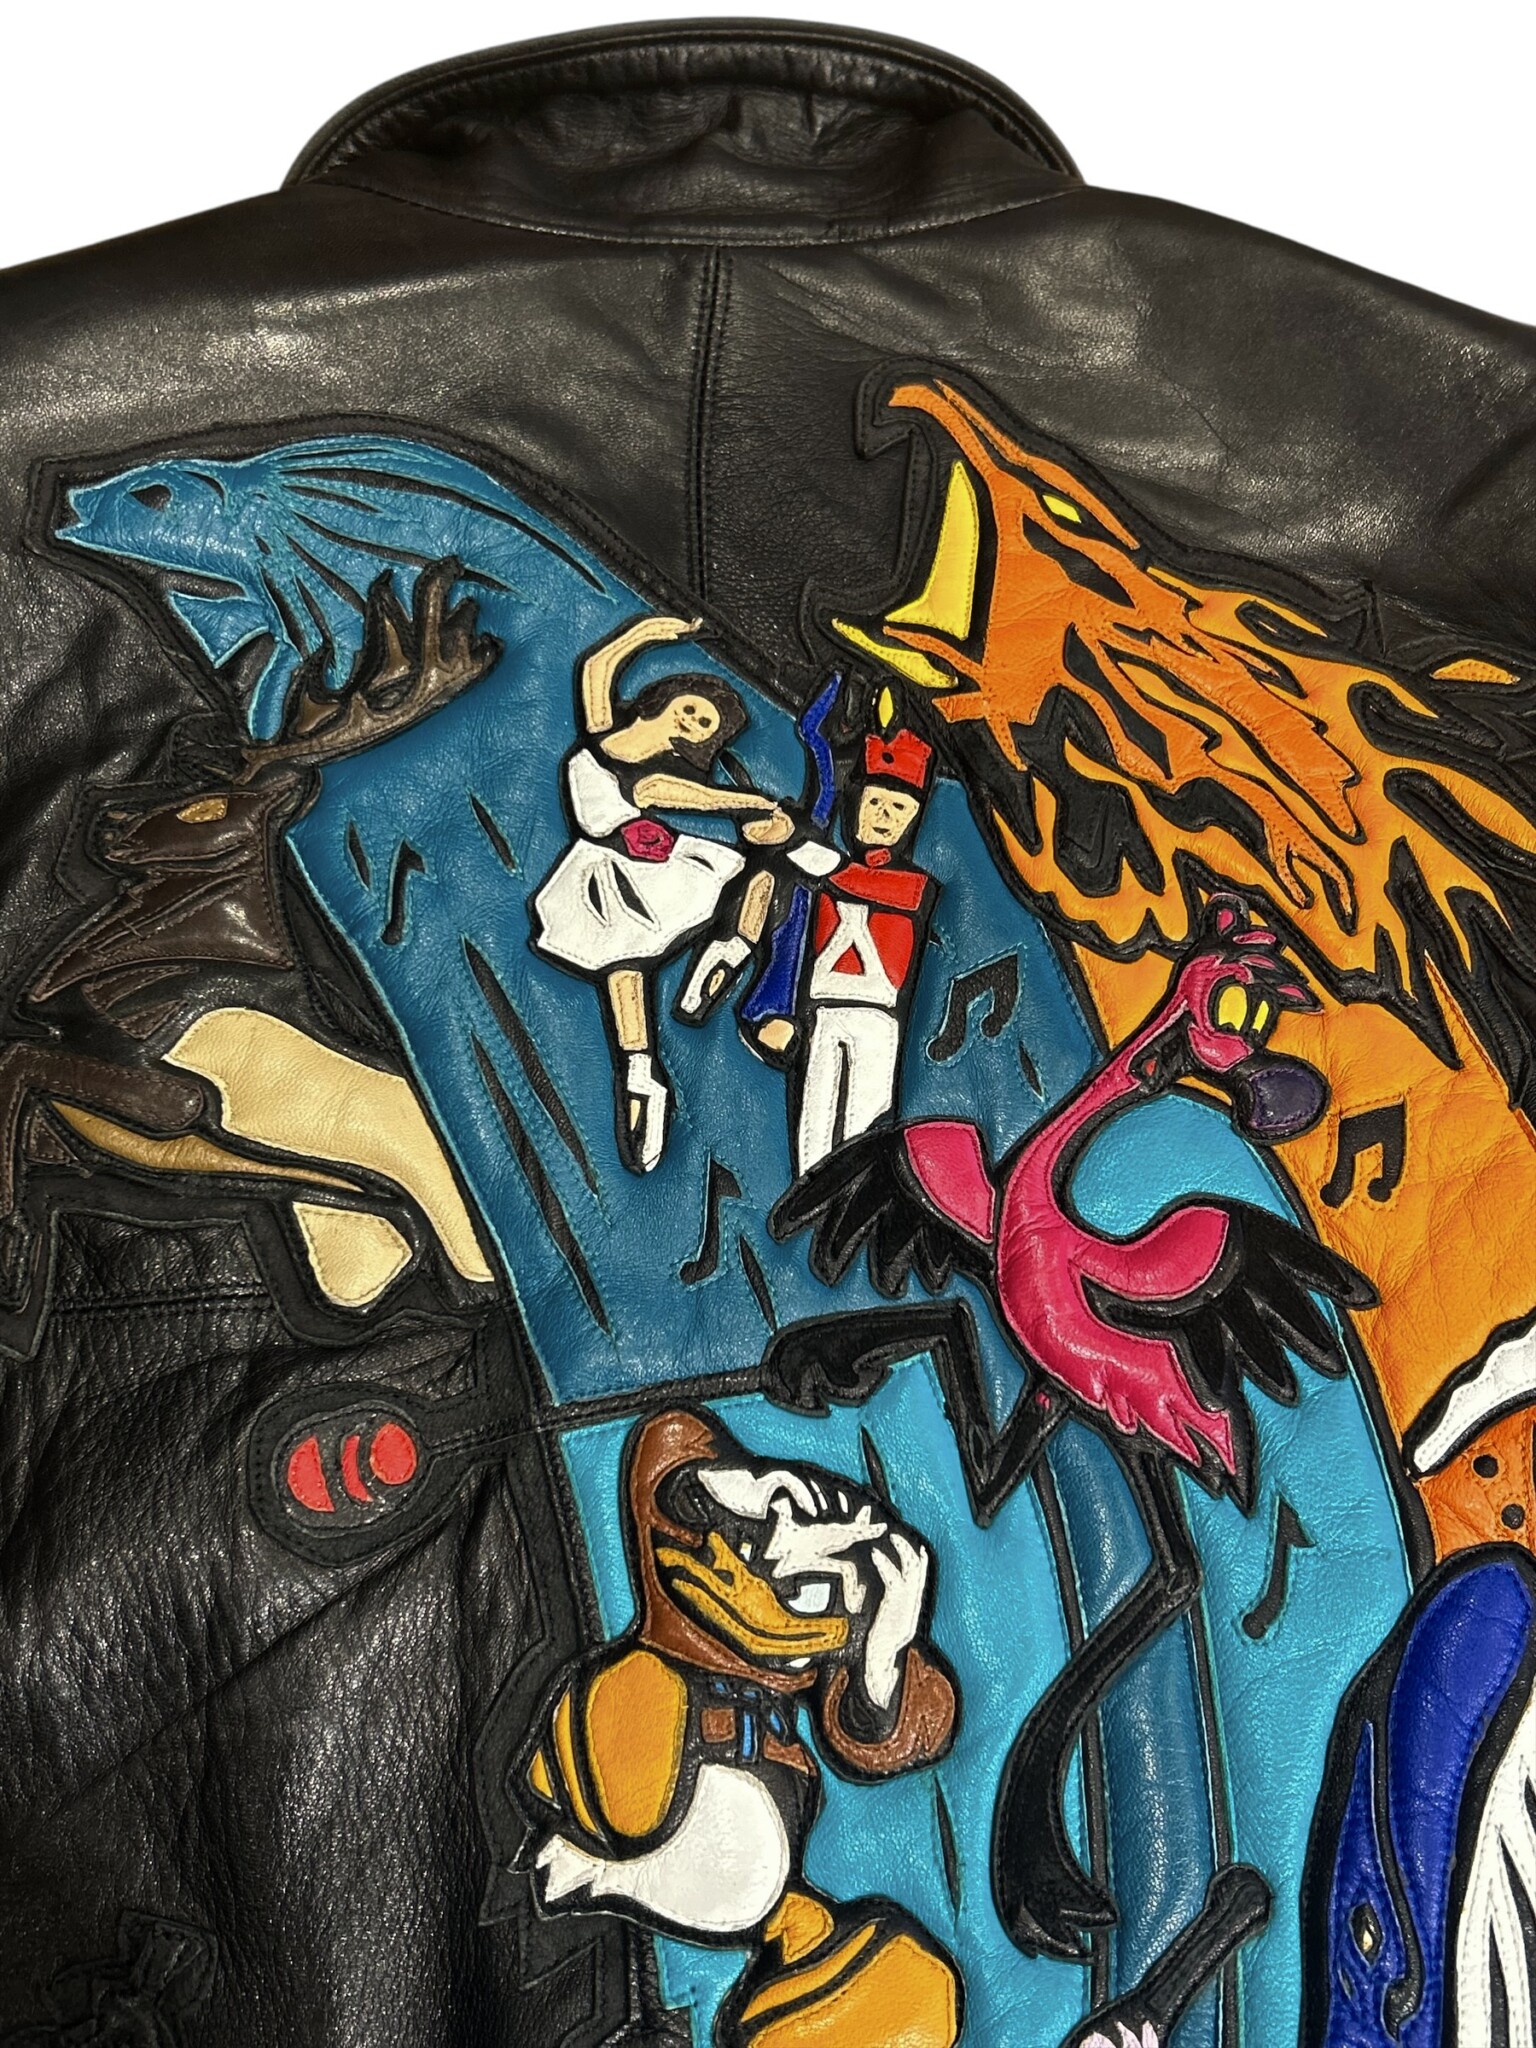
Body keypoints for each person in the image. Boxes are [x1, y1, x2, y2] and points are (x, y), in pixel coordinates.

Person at [530, 614, 791, 1172]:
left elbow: (675, 792)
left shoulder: (663, 765)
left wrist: (754, 809)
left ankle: (729, 951)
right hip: (605, 873)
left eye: (704, 725)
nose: (694, 722)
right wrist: (649, 633)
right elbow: (598, 668)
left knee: (753, 877)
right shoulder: (604, 732)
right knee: (624, 972)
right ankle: (640, 1071)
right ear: (669, 697)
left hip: (660, 867)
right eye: (694, 709)